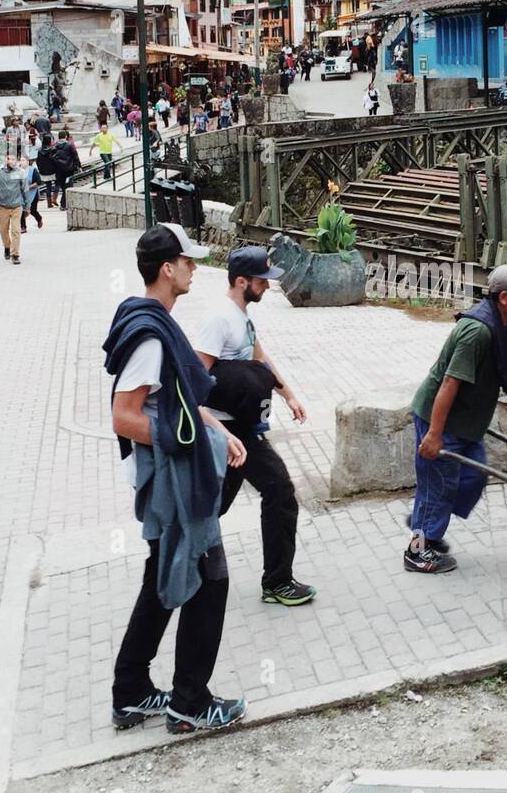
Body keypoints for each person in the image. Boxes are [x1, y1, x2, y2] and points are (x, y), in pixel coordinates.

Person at [104, 222, 248, 734]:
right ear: (168, 269)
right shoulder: (150, 335)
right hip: (173, 480)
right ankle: (190, 700)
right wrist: (189, 442)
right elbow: (125, 416)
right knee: (210, 579)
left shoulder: (153, 320)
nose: (194, 269)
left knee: (162, 577)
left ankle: (131, 691)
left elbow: (177, 401)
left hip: (171, 474)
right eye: (188, 262)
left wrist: (214, 429)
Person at [405, 264, 507, 573]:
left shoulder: (499, 323)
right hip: (441, 420)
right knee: (440, 486)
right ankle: (418, 550)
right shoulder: (478, 331)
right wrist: (434, 434)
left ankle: (425, 519)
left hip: (464, 423)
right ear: (504, 298)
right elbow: (449, 383)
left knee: (472, 478)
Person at [196, 246, 316, 607]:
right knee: (265, 495)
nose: (268, 286)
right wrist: (218, 433)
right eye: (263, 280)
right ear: (241, 281)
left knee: (232, 501)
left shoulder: (242, 318)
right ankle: (274, 582)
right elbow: (195, 382)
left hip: (243, 432)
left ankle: (274, 580)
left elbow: (260, 360)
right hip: (226, 434)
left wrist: (289, 395)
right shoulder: (219, 320)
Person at [0, 149, 28, 265]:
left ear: (17, 161)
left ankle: (15, 254)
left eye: (13, 159)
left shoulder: (21, 172)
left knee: (16, 231)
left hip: (17, 206)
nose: (11, 161)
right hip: (2, 206)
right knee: (3, 230)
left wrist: (28, 206)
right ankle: (7, 246)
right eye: (9, 159)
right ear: (6, 159)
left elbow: (25, 189)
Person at [51, 129, 80, 209]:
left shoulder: (54, 146)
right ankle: (63, 204)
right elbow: (75, 156)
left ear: (59, 137)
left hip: (58, 170)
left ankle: (64, 204)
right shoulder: (69, 145)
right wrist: (78, 166)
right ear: (66, 136)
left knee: (63, 186)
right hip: (68, 169)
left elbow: (51, 158)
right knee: (68, 186)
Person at [19, 155, 43, 233]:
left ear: (28, 161)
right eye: (21, 160)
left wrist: (28, 187)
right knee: (21, 210)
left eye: (24, 160)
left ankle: (39, 219)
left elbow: (38, 182)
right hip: (22, 194)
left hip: (33, 193)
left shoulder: (33, 170)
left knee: (33, 210)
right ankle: (23, 227)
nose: (22, 162)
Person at [36, 134, 58, 207]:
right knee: (57, 184)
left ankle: (49, 204)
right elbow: (55, 160)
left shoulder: (39, 151)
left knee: (48, 186)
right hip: (53, 171)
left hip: (44, 171)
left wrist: (40, 169)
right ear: (49, 141)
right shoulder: (52, 150)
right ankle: (54, 199)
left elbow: (38, 161)